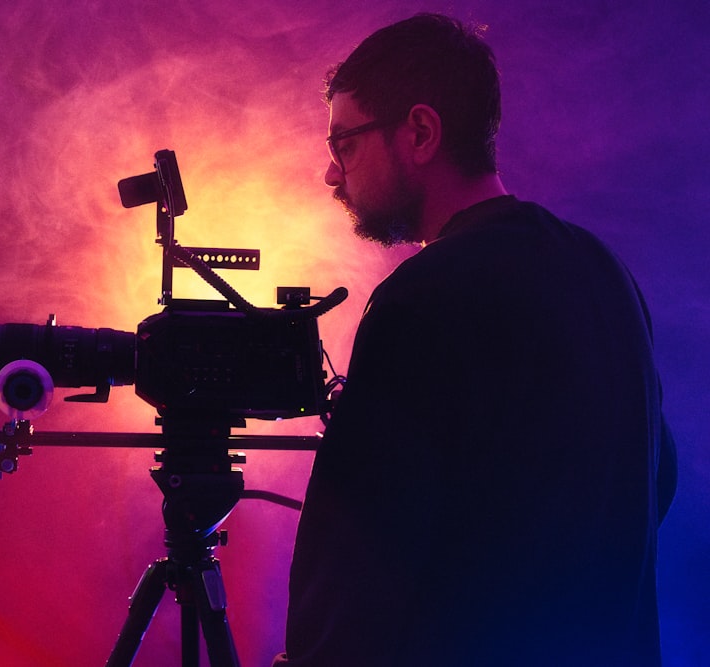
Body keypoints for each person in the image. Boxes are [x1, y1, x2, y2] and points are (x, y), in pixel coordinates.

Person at [274, 13, 677, 667]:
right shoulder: (604, 270)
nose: (331, 173)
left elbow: (359, 549)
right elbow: (657, 479)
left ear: (421, 131)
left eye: (344, 143)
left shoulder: (421, 298)